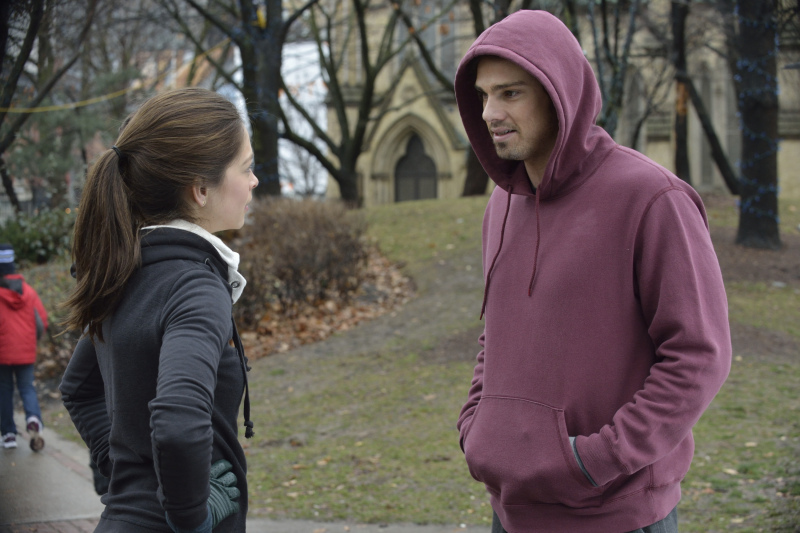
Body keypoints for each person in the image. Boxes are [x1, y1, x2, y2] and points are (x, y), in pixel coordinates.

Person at [453, 10, 732, 533]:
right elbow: (498, 333)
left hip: (616, 516)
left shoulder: (651, 198)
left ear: (560, 93)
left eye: (511, 93)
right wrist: (477, 428)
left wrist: (595, 460)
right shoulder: (501, 204)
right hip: (509, 513)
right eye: (484, 94)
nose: (490, 111)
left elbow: (699, 355)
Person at [60, 87, 258, 533]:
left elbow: (78, 389)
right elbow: (176, 422)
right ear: (201, 188)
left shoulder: (125, 272)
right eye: (246, 168)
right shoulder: (196, 288)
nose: (253, 182)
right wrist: (193, 515)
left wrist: (129, 481)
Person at [0, 243, 48, 451]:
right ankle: (33, 418)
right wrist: (31, 341)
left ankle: (9, 434)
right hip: (26, 351)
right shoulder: (28, 292)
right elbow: (41, 323)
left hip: (2, 353)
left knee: (4, 391)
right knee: (27, 388)